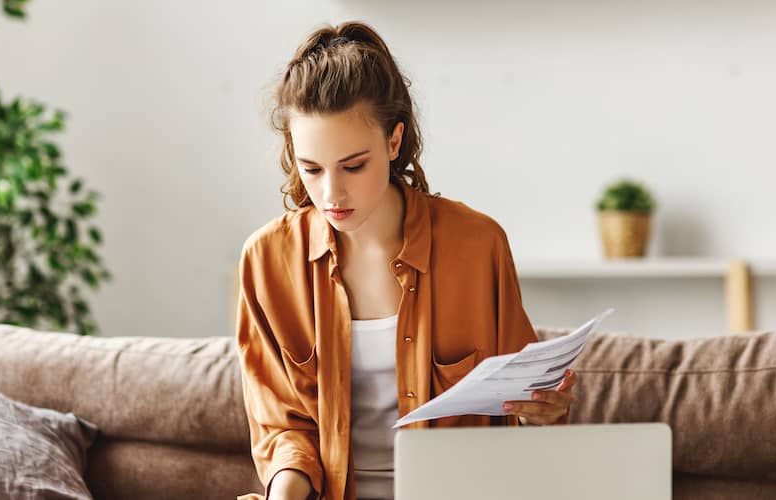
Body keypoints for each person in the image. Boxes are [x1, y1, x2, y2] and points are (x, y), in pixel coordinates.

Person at [234, 21, 577, 500]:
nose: (331, 193)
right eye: (310, 168)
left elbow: (527, 417)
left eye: (354, 166)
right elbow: (282, 431)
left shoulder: (478, 246)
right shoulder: (267, 262)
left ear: (393, 143)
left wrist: (545, 412)